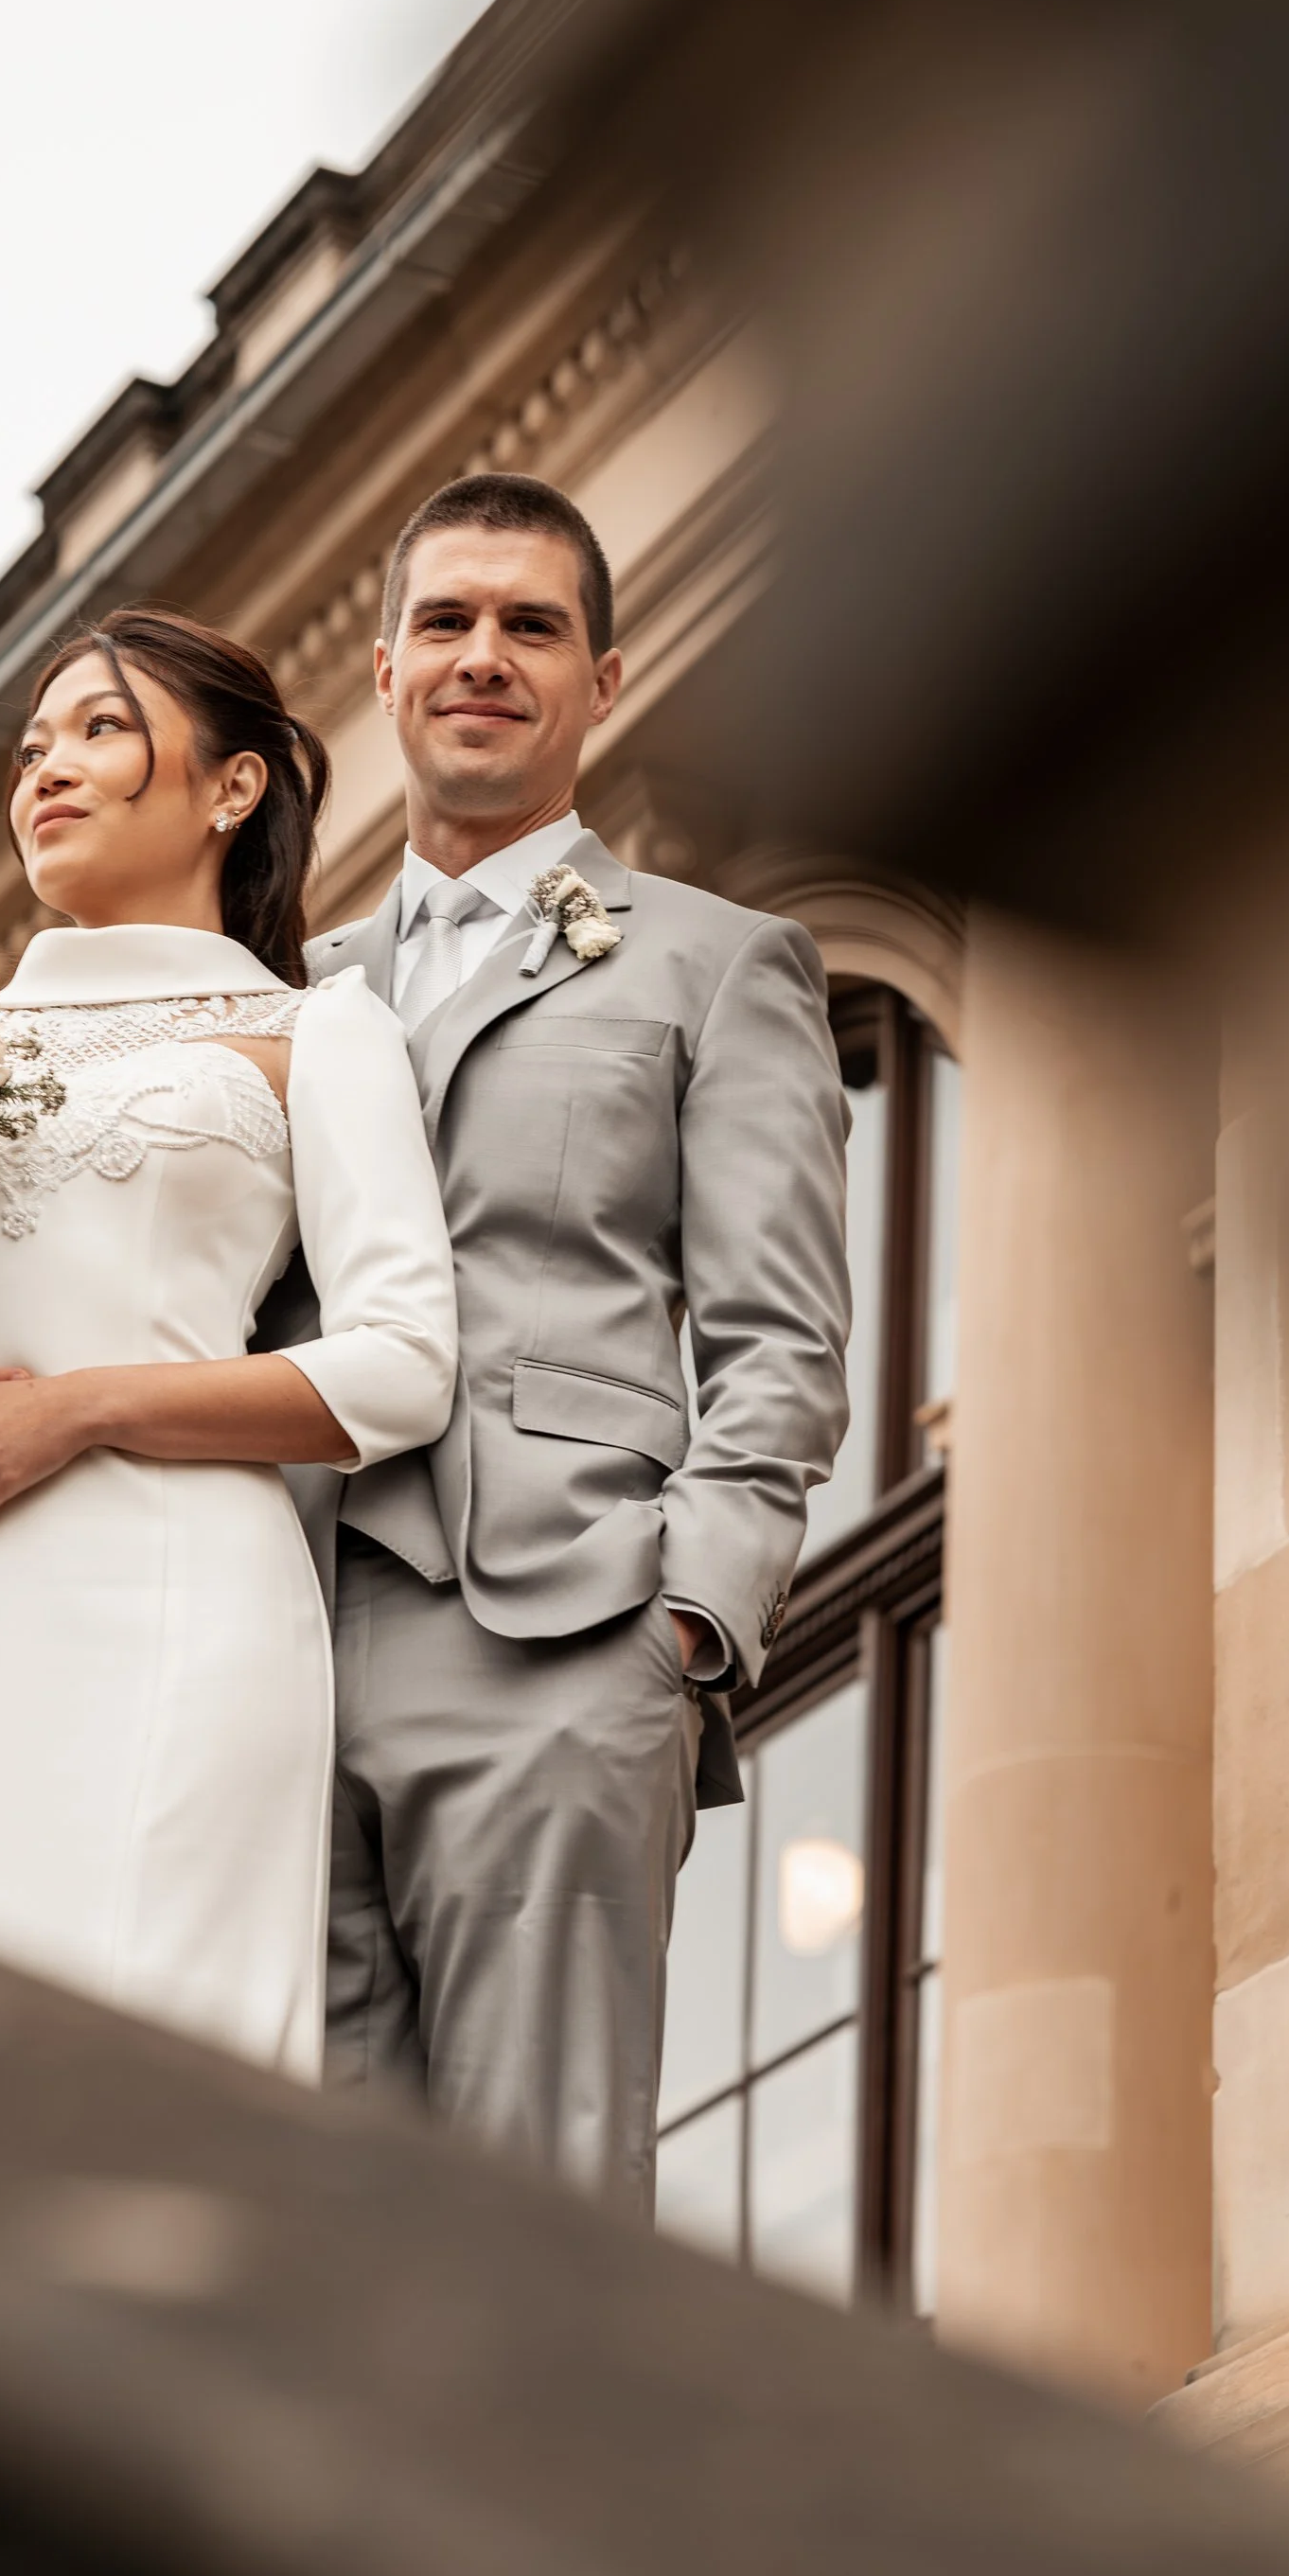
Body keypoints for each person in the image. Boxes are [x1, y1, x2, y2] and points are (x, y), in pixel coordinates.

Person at [0, 612, 456, 2077]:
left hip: (176, 1606)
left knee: (137, 2070)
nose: (48, 773)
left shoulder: (321, 1033)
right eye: (30, 749)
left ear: (233, 786)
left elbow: (402, 1364)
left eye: (99, 729)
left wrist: (76, 1411)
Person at [277, 472, 851, 2202]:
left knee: (531, 2212)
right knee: (298, 2222)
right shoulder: (281, 998)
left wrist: (684, 1627)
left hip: (563, 1638)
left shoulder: (719, 964)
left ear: (603, 681)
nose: (485, 656)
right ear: (382, 672)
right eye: (446, 621)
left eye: (533, 625)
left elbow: (785, 1341)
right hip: (278, 1644)